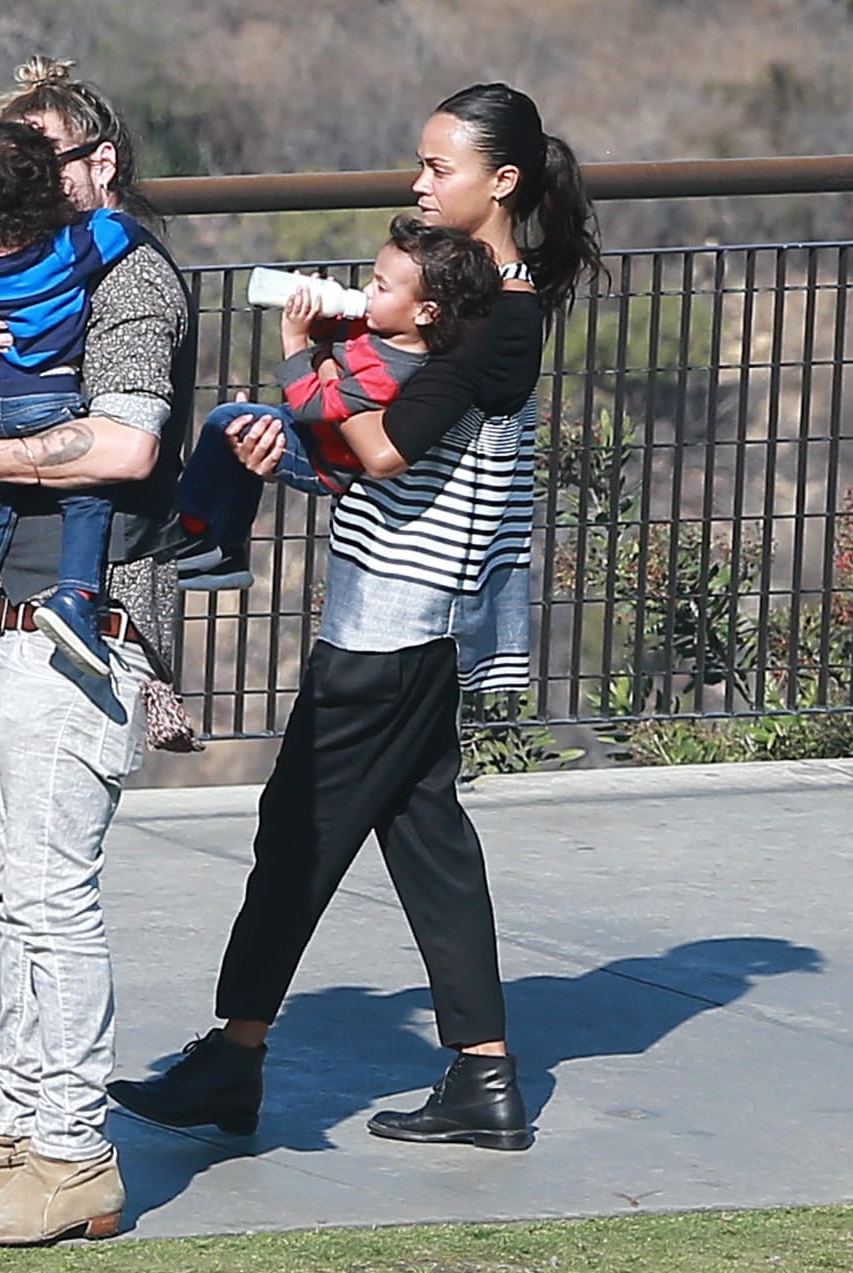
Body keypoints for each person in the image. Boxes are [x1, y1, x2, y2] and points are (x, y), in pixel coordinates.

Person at [109, 82, 602, 1151]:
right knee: (427, 840)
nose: (418, 183)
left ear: (500, 181)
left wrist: (307, 372)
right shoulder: (471, 302)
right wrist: (287, 449)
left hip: (390, 631)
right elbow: (390, 464)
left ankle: (233, 1059)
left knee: (295, 836)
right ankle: (483, 1075)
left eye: (437, 168)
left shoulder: (494, 323)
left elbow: (386, 450)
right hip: (408, 622)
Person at [0, 55, 194, 1246]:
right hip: (4, 625)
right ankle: (12, 1137)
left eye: (39, 154)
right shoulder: (19, 274)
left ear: (96, 164)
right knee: (10, 889)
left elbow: (123, 447)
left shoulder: (132, 280)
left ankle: (74, 1157)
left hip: (88, 626)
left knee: (54, 897)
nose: (16, 177)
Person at [171, 219, 502, 591]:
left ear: (426, 312)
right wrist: (319, 316)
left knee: (226, 420)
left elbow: (314, 404)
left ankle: (191, 533)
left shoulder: (389, 373)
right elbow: (336, 338)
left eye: (382, 287)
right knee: (236, 433)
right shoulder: (380, 327)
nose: (368, 291)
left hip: (321, 459)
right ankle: (225, 549)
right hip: (315, 434)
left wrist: (295, 340)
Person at [0, 119, 146, 677]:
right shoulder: (73, 250)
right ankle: (75, 596)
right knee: (87, 492)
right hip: (48, 397)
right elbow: (124, 226)